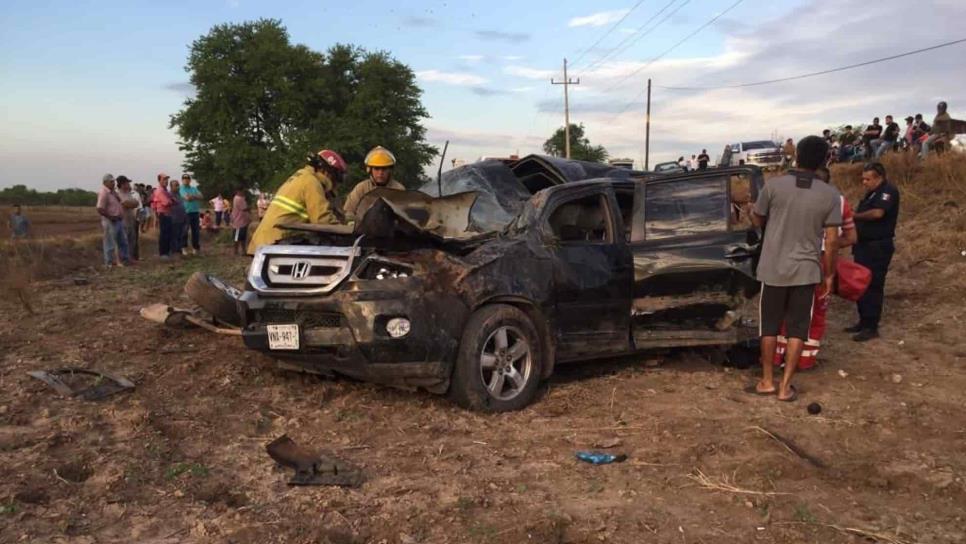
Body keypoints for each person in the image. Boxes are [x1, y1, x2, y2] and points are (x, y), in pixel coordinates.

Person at [748, 136, 842, 401]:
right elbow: (833, 241)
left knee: (769, 326)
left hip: (773, 269)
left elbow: (758, 219)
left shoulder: (774, 186)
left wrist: (750, 212)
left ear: (796, 156)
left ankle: (766, 381)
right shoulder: (830, 194)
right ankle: (785, 387)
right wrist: (829, 273)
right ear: (824, 160)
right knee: (798, 329)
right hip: (806, 271)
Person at [773, 166, 857, 370]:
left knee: (786, 310)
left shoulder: (790, 197)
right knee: (815, 314)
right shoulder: (839, 201)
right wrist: (830, 250)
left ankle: (778, 358)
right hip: (821, 261)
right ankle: (804, 360)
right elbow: (851, 237)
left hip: (789, 259)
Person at [248, 148, 348, 254]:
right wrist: (345, 231)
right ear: (327, 172)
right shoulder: (311, 183)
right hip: (276, 243)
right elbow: (322, 219)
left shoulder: (300, 177)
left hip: (265, 241)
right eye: (336, 179)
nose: (336, 185)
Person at [846, 162, 900, 342]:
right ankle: (863, 321)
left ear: (880, 177)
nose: (864, 182)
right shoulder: (872, 193)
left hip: (877, 246)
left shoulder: (888, 191)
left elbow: (878, 213)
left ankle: (871, 326)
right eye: (863, 179)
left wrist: (855, 216)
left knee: (873, 285)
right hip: (864, 245)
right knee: (861, 283)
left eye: (868, 179)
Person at [344, 146, 407, 223]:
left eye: (384, 169)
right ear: (370, 170)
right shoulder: (361, 188)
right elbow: (349, 211)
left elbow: (405, 217)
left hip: (391, 232)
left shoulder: (398, 189)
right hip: (363, 232)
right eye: (376, 169)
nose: (380, 173)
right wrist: (352, 223)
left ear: (390, 170)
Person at [96, 174, 131, 267]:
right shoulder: (104, 192)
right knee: (110, 242)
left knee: (123, 241)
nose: (113, 183)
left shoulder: (112, 192)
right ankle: (109, 262)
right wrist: (110, 217)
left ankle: (125, 259)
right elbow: (99, 208)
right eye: (111, 182)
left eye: (113, 181)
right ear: (105, 182)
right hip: (110, 221)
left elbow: (119, 201)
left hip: (118, 219)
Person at [116, 175, 141, 261]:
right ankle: (122, 259)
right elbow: (126, 203)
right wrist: (131, 203)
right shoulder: (118, 194)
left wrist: (131, 203)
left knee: (132, 241)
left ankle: (129, 258)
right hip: (123, 221)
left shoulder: (128, 193)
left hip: (131, 220)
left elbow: (136, 203)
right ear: (122, 184)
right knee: (123, 241)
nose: (129, 184)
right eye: (127, 183)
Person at [152, 174, 174, 259]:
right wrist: (170, 201)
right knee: (164, 234)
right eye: (164, 179)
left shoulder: (165, 191)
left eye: (167, 179)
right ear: (159, 180)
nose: (166, 181)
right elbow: (166, 202)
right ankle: (163, 253)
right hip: (163, 214)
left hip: (167, 214)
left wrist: (171, 201)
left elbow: (173, 201)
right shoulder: (160, 191)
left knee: (168, 233)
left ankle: (167, 252)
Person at [179, 174, 203, 255]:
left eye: (187, 178)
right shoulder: (181, 189)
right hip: (186, 212)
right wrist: (195, 197)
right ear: (182, 180)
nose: (186, 179)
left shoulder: (194, 188)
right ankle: (183, 248)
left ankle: (195, 248)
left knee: (196, 231)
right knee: (184, 231)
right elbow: (187, 198)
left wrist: (192, 196)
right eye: (184, 178)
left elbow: (201, 196)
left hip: (195, 212)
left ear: (190, 180)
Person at [168, 180, 188, 256]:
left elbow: (182, 205)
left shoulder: (179, 194)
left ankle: (179, 251)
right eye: (176, 185)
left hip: (182, 218)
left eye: (178, 185)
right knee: (174, 236)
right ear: (171, 187)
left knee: (181, 235)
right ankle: (174, 252)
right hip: (174, 219)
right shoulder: (169, 195)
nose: (178, 187)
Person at [230, 187, 252, 255]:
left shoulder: (240, 198)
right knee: (237, 237)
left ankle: (243, 251)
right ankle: (236, 251)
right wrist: (249, 208)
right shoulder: (238, 199)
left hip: (242, 221)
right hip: (238, 221)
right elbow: (244, 208)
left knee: (242, 237)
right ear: (238, 191)